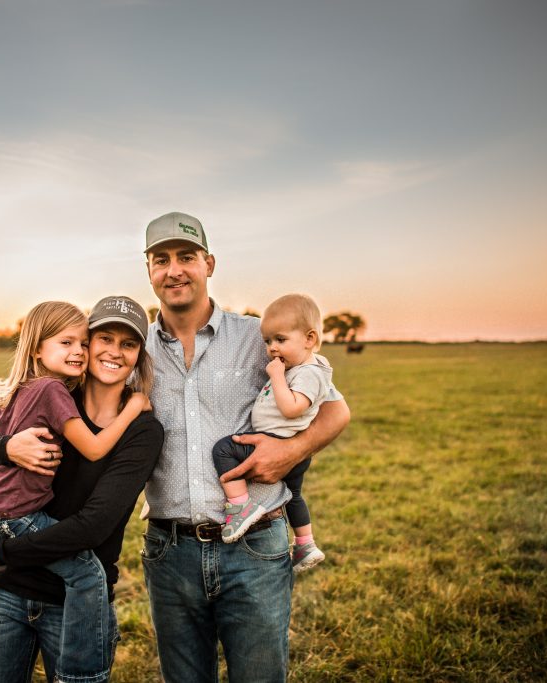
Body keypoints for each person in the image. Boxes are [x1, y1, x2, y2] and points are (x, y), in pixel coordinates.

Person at [139, 211, 351, 683]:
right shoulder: (134, 350)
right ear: (148, 271)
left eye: (187, 257)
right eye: (161, 259)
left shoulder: (259, 336)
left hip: (255, 548)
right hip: (169, 551)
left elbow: (337, 411)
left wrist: (290, 453)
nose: (174, 269)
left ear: (209, 264)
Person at [0, 296, 164, 683]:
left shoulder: (142, 430)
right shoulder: (55, 396)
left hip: (71, 604)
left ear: (140, 355)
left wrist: (4, 548)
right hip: (5, 589)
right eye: (103, 338)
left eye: (129, 344)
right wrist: (8, 447)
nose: (114, 351)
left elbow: (94, 526)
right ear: (86, 345)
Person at [211, 293, 341, 574]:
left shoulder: (309, 373)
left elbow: (292, 407)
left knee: (223, 450)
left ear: (309, 339)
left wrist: (277, 377)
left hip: (281, 443)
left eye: (280, 340)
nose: (271, 348)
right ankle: (305, 543)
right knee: (293, 497)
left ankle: (240, 505)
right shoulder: (298, 368)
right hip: (286, 444)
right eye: (268, 341)